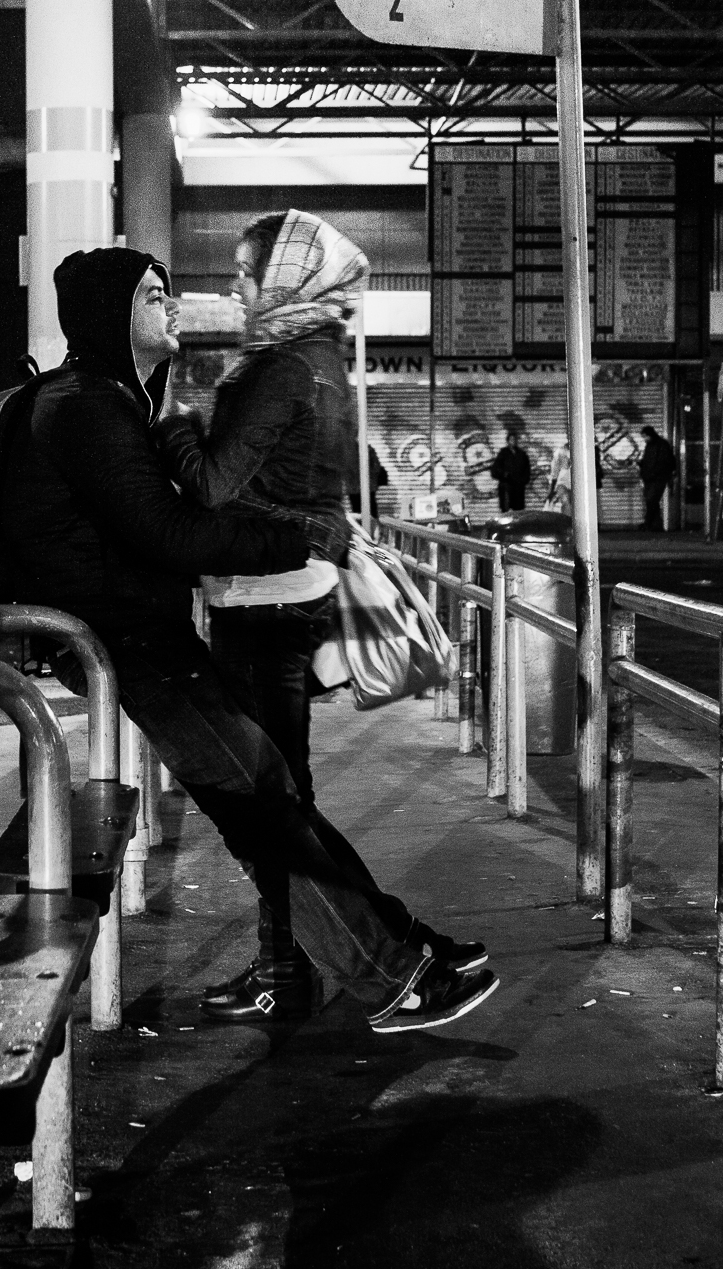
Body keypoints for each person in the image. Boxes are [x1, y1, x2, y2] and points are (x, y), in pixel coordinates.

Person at [0, 245, 499, 1034]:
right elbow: (169, 533)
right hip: (126, 644)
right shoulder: (86, 405)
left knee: (272, 796)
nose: (171, 305)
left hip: (143, 637)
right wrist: (294, 541)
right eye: (152, 294)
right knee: (263, 809)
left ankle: (399, 943)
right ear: (107, 313)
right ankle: (388, 977)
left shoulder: (114, 399)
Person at [159, 211, 488, 1022]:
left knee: (270, 807)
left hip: (265, 600)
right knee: (281, 801)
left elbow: (211, 485)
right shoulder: (319, 358)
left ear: (287, 278)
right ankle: (337, 953)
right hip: (286, 594)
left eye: (246, 272)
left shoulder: (283, 366)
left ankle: (342, 961)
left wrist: (170, 428)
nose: (236, 286)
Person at [638, 424, 676, 532]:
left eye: (645, 436)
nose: (645, 439)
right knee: (652, 501)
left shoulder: (662, 445)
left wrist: (653, 472)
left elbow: (664, 462)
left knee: (651, 500)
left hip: (658, 478)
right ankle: (656, 525)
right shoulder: (650, 445)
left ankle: (648, 523)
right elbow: (648, 461)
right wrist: (641, 465)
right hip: (649, 477)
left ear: (650, 435)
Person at [490, 430, 531, 512]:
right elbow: (495, 469)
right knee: (505, 511)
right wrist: (504, 474)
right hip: (506, 486)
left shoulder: (522, 454)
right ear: (507, 441)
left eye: (515, 439)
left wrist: (523, 480)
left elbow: (527, 469)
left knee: (518, 511)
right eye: (511, 439)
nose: (513, 441)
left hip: (518, 487)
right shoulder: (503, 453)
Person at [348, 443, 389, 524]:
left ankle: (361, 532)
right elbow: (376, 467)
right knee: (371, 512)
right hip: (368, 487)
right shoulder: (368, 449)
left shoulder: (348, 450)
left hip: (354, 488)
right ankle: (372, 533)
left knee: (357, 513)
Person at [546, 443, 572, 515]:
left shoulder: (582, 451)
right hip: (562, 483)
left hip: (577, 484)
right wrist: (551, 489)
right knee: (565, 501)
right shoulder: (560, 451)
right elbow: (555, 471)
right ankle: (568, 522)